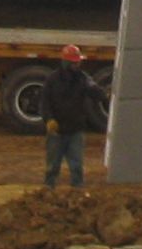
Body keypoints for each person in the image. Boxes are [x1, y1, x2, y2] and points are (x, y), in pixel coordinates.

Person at [42, 44, 105, 189]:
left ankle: (77, 189)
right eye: (75, 62)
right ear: (66, 63)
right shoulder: (52, 80)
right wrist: (49, 119)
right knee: (52, 165)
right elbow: (45, 102)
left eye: (78, 62)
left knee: (76, 164)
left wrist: (103, 93)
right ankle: (48, 189)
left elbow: (96, 92)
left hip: (76, 129)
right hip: (57, 130)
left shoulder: (83, 79)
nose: (78, 64)